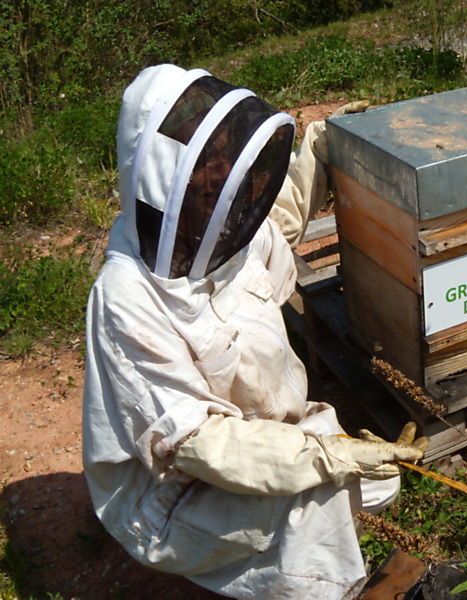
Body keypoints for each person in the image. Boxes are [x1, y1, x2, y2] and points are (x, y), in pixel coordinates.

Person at [82, 64, 428, 600]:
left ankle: (298, 549)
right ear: (165, 173)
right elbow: (197, 444)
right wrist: (322, 457)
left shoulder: (224, 231)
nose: (221, 172)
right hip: (173, 493)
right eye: (206, 161)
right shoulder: (125, 298)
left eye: (227, 155)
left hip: (269, 439)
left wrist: (322, 147)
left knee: (379, 478)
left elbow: (280, 220)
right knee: (315, 501)